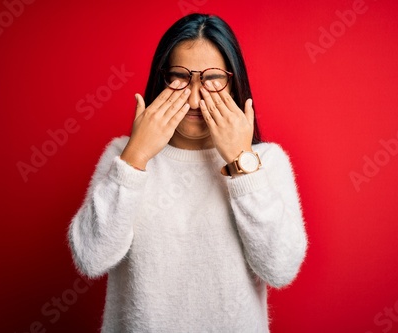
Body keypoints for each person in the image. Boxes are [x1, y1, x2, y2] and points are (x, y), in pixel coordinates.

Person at [68, 13, 307, 333]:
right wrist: (136, 156)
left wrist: (241, 161)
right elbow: (90, 258)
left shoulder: (267, 162)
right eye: (180, 77)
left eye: (212, 79)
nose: (195, 99)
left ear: (234, 81)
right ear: (161, 79)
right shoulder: (122, 155)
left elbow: (280, 269)